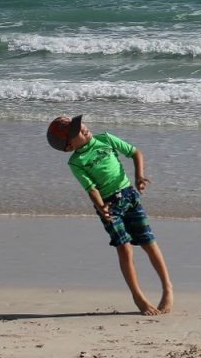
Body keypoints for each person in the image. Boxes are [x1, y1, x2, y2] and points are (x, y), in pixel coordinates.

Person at [47, 115, 174, 316]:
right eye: (76, 132)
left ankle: (167, 289)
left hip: (129, 196)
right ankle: (138, 296)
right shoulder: (76, 162)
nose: (83, 129)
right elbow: (91, 188)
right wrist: (100, 206)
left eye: (80, 126)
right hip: (108, 205)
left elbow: (135, 152)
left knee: (148, 242)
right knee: (124, 249)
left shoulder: (105, 139)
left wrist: (139, 175)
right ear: (68, 146)